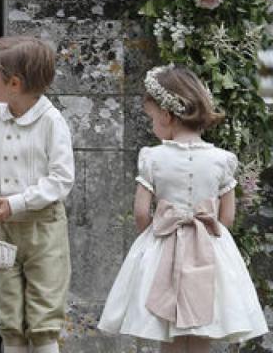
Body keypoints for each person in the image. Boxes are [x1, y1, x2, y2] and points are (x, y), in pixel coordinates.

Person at [98, 65, 268, 352]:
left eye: (152, 118)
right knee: (202, 327)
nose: (152, 124)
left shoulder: (153, 157)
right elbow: (227, 216)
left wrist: (157, 236)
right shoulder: (222, 159)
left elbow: (141, 212)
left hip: (164, 244)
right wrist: (208, 229)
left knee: (168, 328)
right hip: (208, 249)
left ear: (167, 115)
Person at [0, 37, 74, 353]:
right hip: (5, 230)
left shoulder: (51, 122)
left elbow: (61, 180)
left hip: (44, 228)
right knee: (10, 317)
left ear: (14, 83)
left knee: (44, 318)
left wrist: (15, 203)